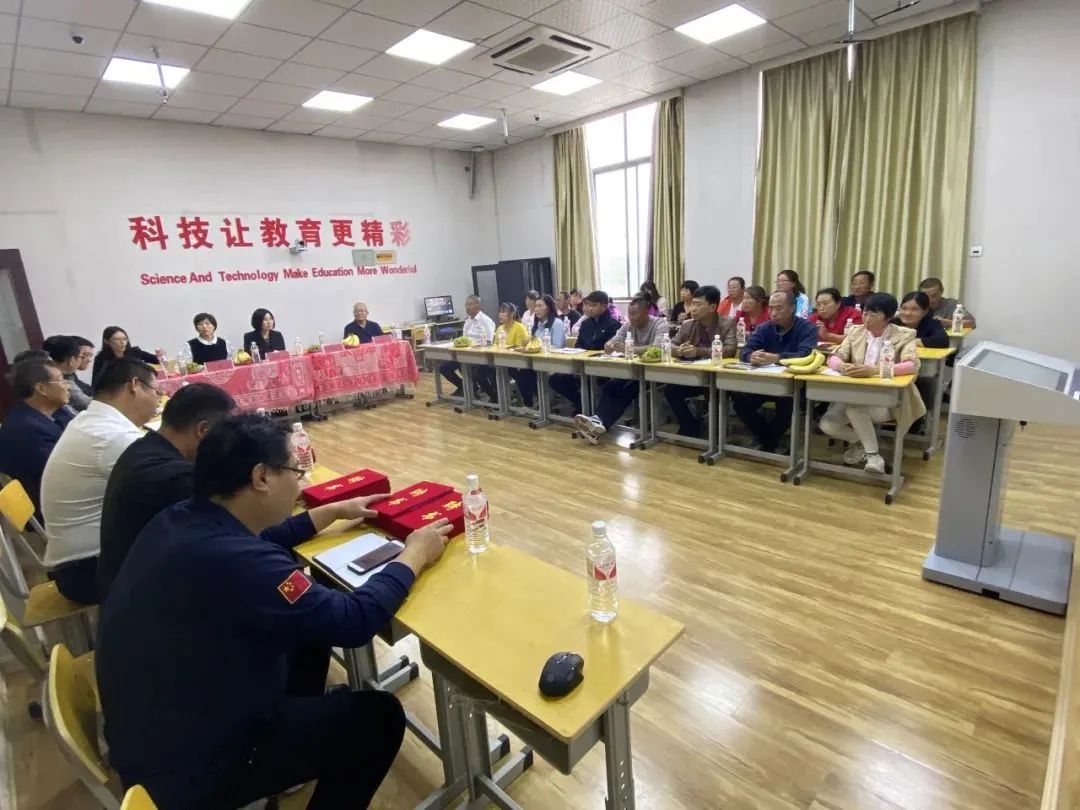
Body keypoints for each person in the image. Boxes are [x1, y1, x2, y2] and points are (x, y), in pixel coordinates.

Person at [96, 413, 452, 809]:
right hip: (193, 768)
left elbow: (261, 540)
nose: (300, 484)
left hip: (158, 725)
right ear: (261, 477)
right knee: (377, 719)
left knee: (307, 632)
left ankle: (292, 754)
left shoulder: (181, 518)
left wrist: (331, 511)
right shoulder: (239, 561)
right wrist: (414, 554)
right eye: (296, 472)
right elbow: (353, 621)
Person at [97, 383, 236, 601]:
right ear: (203, 430)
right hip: (147, 602)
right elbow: (235, 531)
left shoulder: (143, 448)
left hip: (123, 587)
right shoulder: (173, 477)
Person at [40, 357, 161, 604]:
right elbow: (171, 487)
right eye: (156, 392)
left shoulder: (89, 421)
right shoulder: (111, 437)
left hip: (78, 564)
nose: (158, 400)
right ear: (134, 385)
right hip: (89, 571)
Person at [820, 293, 925, 473]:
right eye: (865, 313)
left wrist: (874, 370)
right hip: (854, 393)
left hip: (889, 400)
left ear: (888, 316)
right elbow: (834, 357)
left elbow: (911, 365)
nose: (867, 318)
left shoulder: (904, 334)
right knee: (827, 424)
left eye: (873, 314)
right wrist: (843, 366)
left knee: (854, 407)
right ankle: (864, 444)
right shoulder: (856, 331)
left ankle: (873, 456)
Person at [573, 296, 668, 445]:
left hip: (654, 373)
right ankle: (597, 421)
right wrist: (609, 345)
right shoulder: (628, 325)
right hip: (633, 371)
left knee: (626, 390)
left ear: (646, 312)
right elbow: (613, 341)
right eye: (629, 314)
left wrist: (629, 348)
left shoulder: (659, 323)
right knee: (610, 386)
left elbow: (658, 348)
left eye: (634, 314)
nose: (631, 317)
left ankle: (599, 423)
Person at [732, 292, 817, 452]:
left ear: (792, 308)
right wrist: (751, 356)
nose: (773, 313)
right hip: (765, 381)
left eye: (779, 308)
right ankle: (769, 438)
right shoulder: (765, 327)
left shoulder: (807, 328)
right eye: (771, 308)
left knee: (787, 405)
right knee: (740, 400)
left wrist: (777, 358)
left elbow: (806, 354)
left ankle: (768, 442)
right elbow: (745, 350)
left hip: (794, 384)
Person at [0, 359, 71, 521]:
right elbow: (63, 474)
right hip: (52, 509)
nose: (67, 386)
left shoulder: (36, 416)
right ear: (41, 389)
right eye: (61, 380)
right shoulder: (27, 430)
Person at [663, 285, 737, 438]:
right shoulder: (687, 324)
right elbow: (670, 344)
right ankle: (691, 425)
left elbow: (730, 350)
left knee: (715, 393)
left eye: (698, 304)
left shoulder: (727, 323)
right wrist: (679, 350)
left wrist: (699, 352)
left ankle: (717, 435)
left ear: (712, 307)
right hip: (694, 375)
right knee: (670, 390)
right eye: (693, 304)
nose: (693, 309)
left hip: (717, 378)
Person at [550, 291, 620, 415]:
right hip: (581, 366)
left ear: (604, 306)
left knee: (589, 380)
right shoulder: (585, 324)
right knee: (555, 379)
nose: (589, 308)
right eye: (588, 305)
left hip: (602, 368)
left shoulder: (614, 325)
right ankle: (580, 403)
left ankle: (591, 410)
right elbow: (578, 345)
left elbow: (611, 350)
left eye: (594, 305)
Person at [439, 295, 496, 400]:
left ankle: (493, 395)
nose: (467, 307)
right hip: (465, 354)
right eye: (466, 304)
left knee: (473, 372)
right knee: (444, 368)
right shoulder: (468, 321)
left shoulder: (485, 321)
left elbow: (489, 342)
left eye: (470, 304)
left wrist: (476, 348)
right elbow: (464, 338)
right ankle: (464, 387)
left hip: (479, 356)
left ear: (478, 306)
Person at [516, 294, 566, 408]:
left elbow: (558, 347)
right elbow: (534, 343)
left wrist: (534, 349)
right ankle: (529, 404)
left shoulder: (557, 323)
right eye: (535, 306)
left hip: (554, 362)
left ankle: (543, 404)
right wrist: (527, 345)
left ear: (548, 308)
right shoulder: (537, 325)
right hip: (537, 362)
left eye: (540, 306)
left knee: (528, 375)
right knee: (521, 373)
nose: (536, 309)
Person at [92, 326, 158, 385]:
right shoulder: (101, 359)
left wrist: (160, 356)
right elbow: (96, 383)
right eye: (117, 339)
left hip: (139, 386)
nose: (122, 342)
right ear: (106, 341)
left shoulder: (134, 352)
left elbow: (157, 360)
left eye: (124, 339)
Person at [43, 335, 91, 411]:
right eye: (81, 357)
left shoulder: (44, 374)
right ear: (72, 360)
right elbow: (87, 404)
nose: (88, 360)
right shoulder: (61, 381)